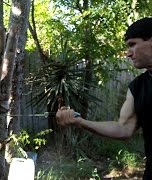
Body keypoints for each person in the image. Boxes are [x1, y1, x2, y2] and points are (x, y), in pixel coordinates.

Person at [55, 17, 152, 179]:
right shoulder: (137, 87)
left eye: (133, 44)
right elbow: (123, 128)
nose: (128, 53)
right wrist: (79, 121)